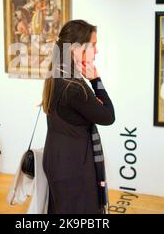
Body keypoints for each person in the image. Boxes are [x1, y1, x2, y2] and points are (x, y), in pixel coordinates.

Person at [42, 20, 115, 214]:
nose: (97, 51)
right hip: (73, 166)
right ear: (76, 49)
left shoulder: (58, 76)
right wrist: (96, 81)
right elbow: (108, 116)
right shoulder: (74, 87)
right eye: (93, 45)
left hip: (59, 159)